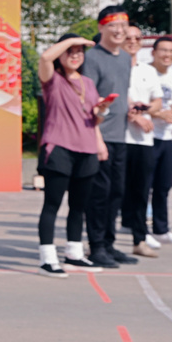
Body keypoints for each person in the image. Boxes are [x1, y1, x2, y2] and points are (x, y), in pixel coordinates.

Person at [33, 35, 112, 274]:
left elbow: (94, 118)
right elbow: (45, 57)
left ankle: (74, 254)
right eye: (70, 51)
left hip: (86, 149)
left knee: (79, 206)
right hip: (59, 148)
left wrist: (102, 111)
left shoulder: (88, 83)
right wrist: (73, 39)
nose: (75, 55)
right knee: (52, 204)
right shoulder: (52, 79)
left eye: (79, 51)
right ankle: (47, 259)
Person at [80, 6, 135, 268]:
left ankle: (110, 243)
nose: (119, 31)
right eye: (113, 25)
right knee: (99, 194)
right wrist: (97, 137)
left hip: (121, 135)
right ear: (101, 27)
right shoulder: (91, 57)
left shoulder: (125, 57)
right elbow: (87, 99)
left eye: (123, 26)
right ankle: (97, 246)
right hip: (99, 135)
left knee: (116, 192)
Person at [120, 25, 164, 258]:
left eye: (137, 38)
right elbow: (114, 95)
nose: (133, 41)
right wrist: (134, 115)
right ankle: (101, 242)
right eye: (128, 38)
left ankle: (139, 239)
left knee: (140, 192)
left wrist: (146, 111)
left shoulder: (148, 71)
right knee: (113, 192)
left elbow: (157, 101)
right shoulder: (114, 66)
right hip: (118, 137)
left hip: (143, 140)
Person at [145, 37, 172, 244]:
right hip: (146, 136)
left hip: (166, 137)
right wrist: (161, 114)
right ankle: (140, 230)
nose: (167, 55)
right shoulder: (144, 73)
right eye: (163, 50)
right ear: (153, 52)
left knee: (163, 186)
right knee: (143, 186)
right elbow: (140, 105)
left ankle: (161, 230)